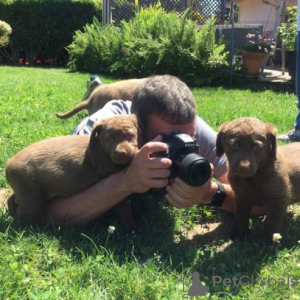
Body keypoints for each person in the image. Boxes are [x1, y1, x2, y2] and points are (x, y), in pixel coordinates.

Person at [45, 75, 263, 227]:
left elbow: (261, 199)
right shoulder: (102, 133)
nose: (181, 147)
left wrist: (211, 193)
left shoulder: (195, 133)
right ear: (138, 131)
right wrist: (125, 181)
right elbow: (50, 213)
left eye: (188, 136)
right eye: (168, 139)